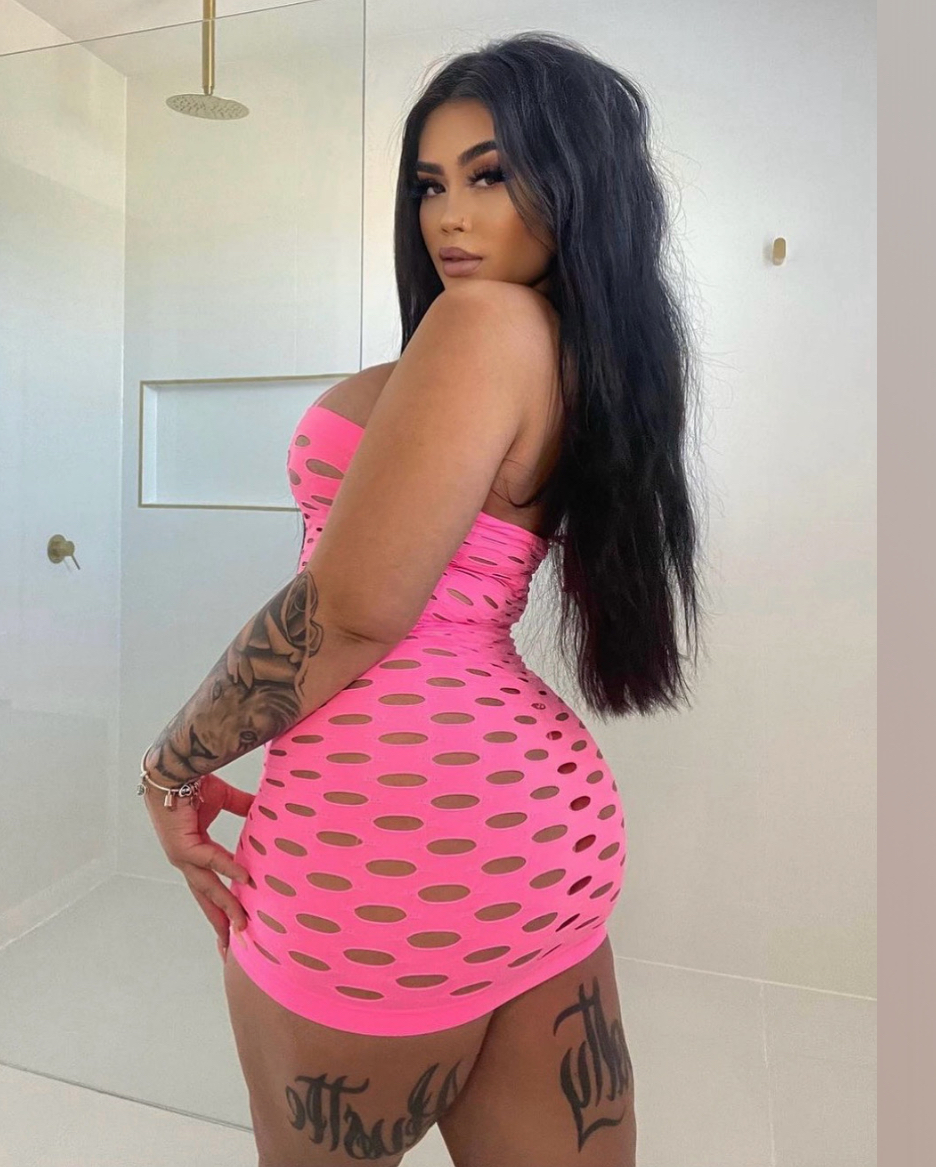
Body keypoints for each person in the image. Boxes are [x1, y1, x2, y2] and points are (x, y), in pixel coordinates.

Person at [140, 30, 704, 1167]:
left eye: (490, 176)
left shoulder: (484, 323)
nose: (449, 217)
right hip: (540, 839)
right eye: (429, 185)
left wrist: (170, 767)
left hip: (382, 849)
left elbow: (351, 611)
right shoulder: (582, 354)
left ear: (577, 183)